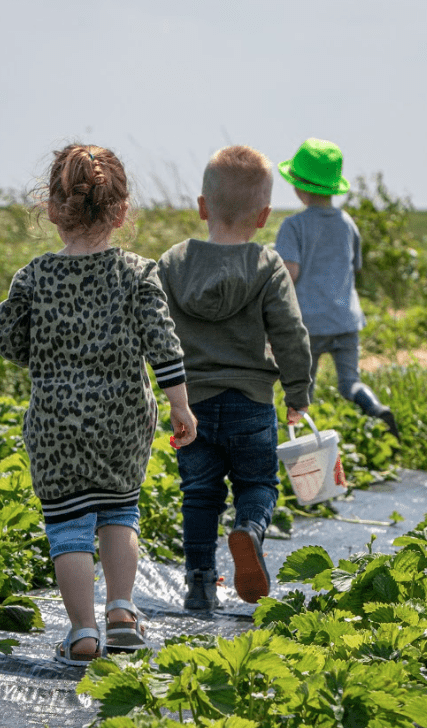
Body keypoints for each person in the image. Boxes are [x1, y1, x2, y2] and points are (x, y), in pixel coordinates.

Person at [0, 143, 197, 666]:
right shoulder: (139, 273)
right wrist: (180, 405)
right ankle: (124, 612)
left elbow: (10, 344)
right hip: (124, 418)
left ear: (53, 210)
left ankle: (83, 632)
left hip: (56, 422)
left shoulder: (34, 276)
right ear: (122, 211)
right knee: (120, 511)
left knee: (67, 524)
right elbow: (162, 342)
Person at [158, 145, 312, 609]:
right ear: (264, 215)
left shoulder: (172, 263)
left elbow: (153, 329)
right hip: (251, 400)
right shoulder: (267, 267)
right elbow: (290, 333)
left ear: (202, 206)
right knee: (259, 484)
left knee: (199, 495)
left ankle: (201, 583)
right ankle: (248, 529)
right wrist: (298, 390)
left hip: (193, 404)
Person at [274, 138, 399, 439]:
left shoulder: (293, 226)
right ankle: (378, 410)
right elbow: (353, 267)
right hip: (346, 320)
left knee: (304, 387)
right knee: (350, 383)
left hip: (309, 324)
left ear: (299, 187)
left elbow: (289, 273)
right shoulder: (348, 223)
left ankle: (302, 446)